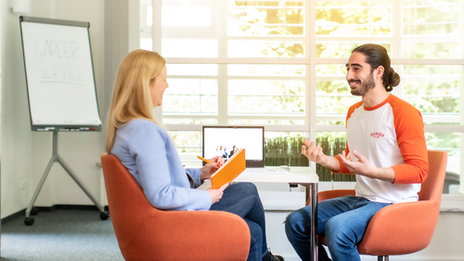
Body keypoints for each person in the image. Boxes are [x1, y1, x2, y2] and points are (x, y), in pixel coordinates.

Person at [105, 49, 283, 261]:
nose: (167, 86)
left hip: (162, 216)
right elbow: (160, 194)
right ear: (146, 84)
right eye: (164, 79)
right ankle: (267, 258)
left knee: (251, 230)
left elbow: (153, 178)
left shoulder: (125, 128)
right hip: (172, 221)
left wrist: (200, 173)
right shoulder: (145, 131)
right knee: (249, 191)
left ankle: (265, 258)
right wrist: (207, 196)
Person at [285, 44, 429, 261]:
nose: (349, 76)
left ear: (378, 71)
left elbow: (419, 171)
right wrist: (324, 160)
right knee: (296, 222)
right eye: (348, 69)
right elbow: (350, 163)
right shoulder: (354, 112)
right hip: (361, 199)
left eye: (356, 69)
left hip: (394, 203)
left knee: (338, 228)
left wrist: (372, 171)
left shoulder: (403, 113)